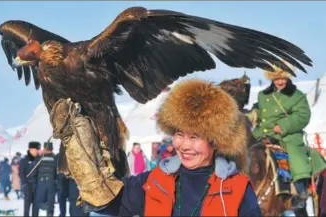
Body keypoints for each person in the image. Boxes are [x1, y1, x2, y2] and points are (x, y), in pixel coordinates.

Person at [85, 79, 261, 216]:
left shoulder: (237, 189)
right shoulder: (153, 181)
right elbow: (108, 202)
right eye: (179, 134)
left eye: (194, 137)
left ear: (215, 142)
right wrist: (89, 178)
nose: (184, 145)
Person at [248, 60, 326, 213]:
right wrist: (250, 116)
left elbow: (303, 115)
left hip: (289, 136)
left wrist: (283, 126)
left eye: (283, 78)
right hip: (264, 133)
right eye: (277, 79)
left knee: (297, 158)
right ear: (271, 78)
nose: (280, 81)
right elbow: (259, 111)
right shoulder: (263, 95)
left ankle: (300, 192)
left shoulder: (297, 96)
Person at [34, 142, 57, 216]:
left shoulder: (39, 158)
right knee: (51, 203)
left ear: (44, 149)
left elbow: (35, 171)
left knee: (38, 202)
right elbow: (57, 172)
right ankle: (49, 212)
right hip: (51, 183)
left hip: (41, 183)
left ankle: (44, 207)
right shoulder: (55, 158)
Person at [19, 141, 41, 217]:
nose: (38, 151)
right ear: (31, 149)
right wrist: (25, 184)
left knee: (36, 207)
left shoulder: (39, 159)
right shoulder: (24, 160)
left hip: (37, 186)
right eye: (36, 149)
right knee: (27, 207)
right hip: (27, 186)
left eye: (38, 149)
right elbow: (21, 173)